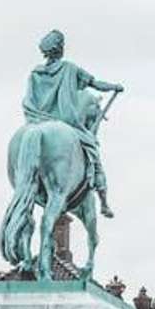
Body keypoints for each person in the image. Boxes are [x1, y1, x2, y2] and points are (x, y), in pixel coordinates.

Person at [24, 30, 124, 217]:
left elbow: (30, 99)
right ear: (60, 49)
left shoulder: (35, 74)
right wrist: (114, 87)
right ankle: (103, 200)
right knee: (92, 149)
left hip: (36, 120)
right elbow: (95, 83)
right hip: (66, 122)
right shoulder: (69, 69)